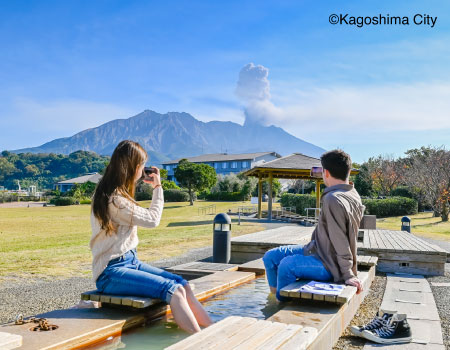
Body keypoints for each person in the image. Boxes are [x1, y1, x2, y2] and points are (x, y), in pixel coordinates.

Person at [90, 140, 212, 333]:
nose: (143, 170)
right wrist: (158, 188)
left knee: (183, 284)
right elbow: (152, 219)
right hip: (110, 272)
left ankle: (212, 330)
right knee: (174, 290)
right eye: (141, 165)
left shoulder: (113, 194)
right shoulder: (115, 200)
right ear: (133, 167)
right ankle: (200, 341)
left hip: (130, 262)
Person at [263, 149, 365, 301]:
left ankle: (282, 307)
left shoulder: (333, 199)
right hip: (317, 249)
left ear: (326, 173)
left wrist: (347, 274)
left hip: (330, 263)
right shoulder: (351, 192)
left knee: (286, 265)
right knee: (270, 257)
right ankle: (275, 298)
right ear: (348, 171)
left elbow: (340, 240)